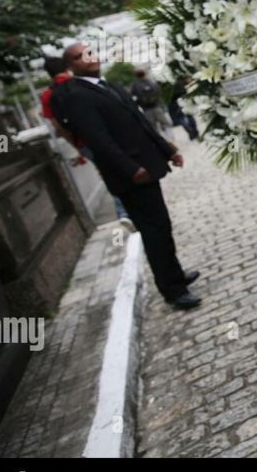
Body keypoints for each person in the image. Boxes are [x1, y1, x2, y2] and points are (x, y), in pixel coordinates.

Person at [50, 44, 201, 310]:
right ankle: (172, 290)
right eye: (78, 56)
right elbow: (98, 140)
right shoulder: (76, 95)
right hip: (129, 174)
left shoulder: (109, 85)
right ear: (70, 66)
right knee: (154, 230)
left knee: (161, 225)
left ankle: (175, 275)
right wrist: (130, 168)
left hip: (145, 164)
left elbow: (140, 122)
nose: (88, 57)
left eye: (89, 52)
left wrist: (167, 150)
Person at [40, 57, 134, 230]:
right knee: (124, 167)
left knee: (109, 173)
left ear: (48, 73)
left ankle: (125, 212)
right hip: (107, 136)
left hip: (83, 142)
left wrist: (78, 146)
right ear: (68, 67)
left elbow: (58, 126)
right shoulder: (82, 83)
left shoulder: (47, 96)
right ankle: (127, 211)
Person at [129, 68, 174, 141]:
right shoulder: (152, 82)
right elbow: (159, 92)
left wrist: (139, 103)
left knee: (154, 126)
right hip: (156, 106)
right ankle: (170, 138)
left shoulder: (134, 85)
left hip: (146, 109)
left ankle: (162, 140)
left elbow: (132, 97)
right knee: (164, 123)